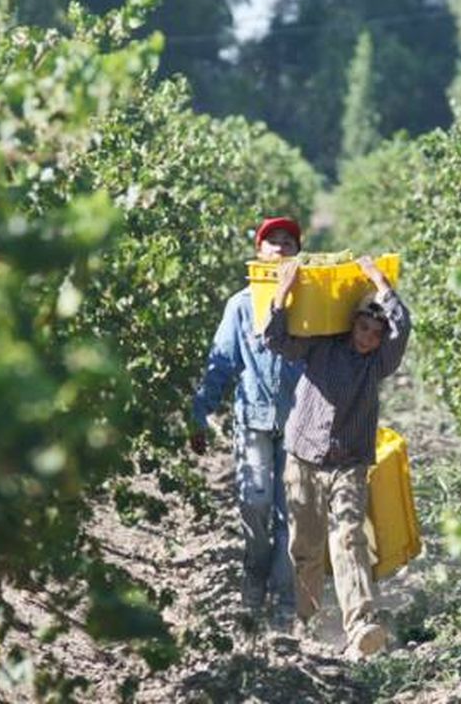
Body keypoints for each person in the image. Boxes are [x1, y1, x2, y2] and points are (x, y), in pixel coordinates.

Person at [263, 256, 411, 660]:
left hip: (349, 461)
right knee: (305, 546)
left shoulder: (378, 363)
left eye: (376, 333)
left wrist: (379, 281)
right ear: (351, 324)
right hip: (305, 457)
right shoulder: (321, 347)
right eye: (364, 327)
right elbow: (275, 340)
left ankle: (361, 625)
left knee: (349, 536)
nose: (368, 337)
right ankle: (306, 621)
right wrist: (283, 292)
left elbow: (403, 327)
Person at [191, 217, 304, 628]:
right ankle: (254, 580)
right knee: (255, 505)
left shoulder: (312, 304)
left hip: (299, 427)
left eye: (287, 242)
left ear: (298, 252)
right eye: (272, 242)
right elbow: (221, 362)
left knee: (292, 514)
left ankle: (286, 606)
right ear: (259, 253)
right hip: (253, 421)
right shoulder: (241, 305)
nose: (279, 248)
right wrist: (200, 411)